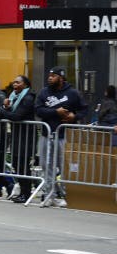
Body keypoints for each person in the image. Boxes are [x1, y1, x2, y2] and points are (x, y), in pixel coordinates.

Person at [34, 66, 88, 207]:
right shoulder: (44, 92)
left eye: (53, 75)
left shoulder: (73, 93)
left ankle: (63, 194)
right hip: (47, 134)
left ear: (61, 77)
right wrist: (55, 112)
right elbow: (38, 110)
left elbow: (84, 109)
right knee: (46, 166)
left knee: (64, 166)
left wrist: (74, 116)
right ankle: (49, 195)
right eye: (49, 75)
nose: (50, 77)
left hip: (65, 136)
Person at [0, 75, 37, 203]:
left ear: (25, 85)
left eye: (18, 82)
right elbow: (12, 112)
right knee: (17, 164)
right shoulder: (14, 97)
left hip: (26, 136)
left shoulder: (28, 98)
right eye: (14, 82)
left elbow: (16, 116)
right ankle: (23, 192)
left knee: (23, 165)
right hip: (17, 135)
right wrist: (6, 107)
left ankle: (26, 193)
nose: (15, 84)